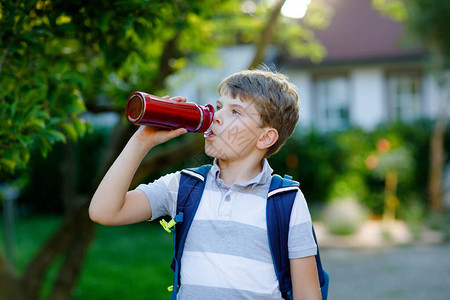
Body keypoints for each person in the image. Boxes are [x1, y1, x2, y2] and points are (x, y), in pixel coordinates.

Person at [89, 69, 321, 300]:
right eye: (219, 106)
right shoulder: (184, 186)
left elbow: (308, 294)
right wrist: (141, 141)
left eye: (236, 112)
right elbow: (104, 211)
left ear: (265, 138)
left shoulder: (285, 201)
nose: (216, 116)